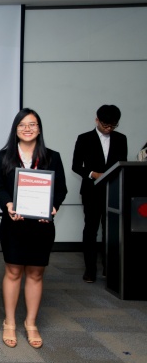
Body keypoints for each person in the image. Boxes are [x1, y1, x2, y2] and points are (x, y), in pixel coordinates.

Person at [0, 108, 67, 349]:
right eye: (22, 124)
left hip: (42, 226)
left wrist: (53, 207)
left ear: (39, 128)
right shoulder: (4, 156)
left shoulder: (52, 157)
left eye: (32, 124)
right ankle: (10, 322)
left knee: (36, 274)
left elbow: (61, 189)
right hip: (14, 224)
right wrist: (8, 204)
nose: (27, 128)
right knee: (13, 272)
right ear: (15, 129)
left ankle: (31, 323)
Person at [72, 105, 127, 283]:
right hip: (91, 191)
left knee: (110, 231)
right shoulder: (84, 138)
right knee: (91, 230)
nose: (108, 129)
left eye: (112, 126)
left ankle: (109, 268)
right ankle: (90, 269)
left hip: (113, 192)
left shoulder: (121, 139)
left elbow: (122, 165)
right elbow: (75, 166)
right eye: (105, 125)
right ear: (97, 120)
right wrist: (92, 174)